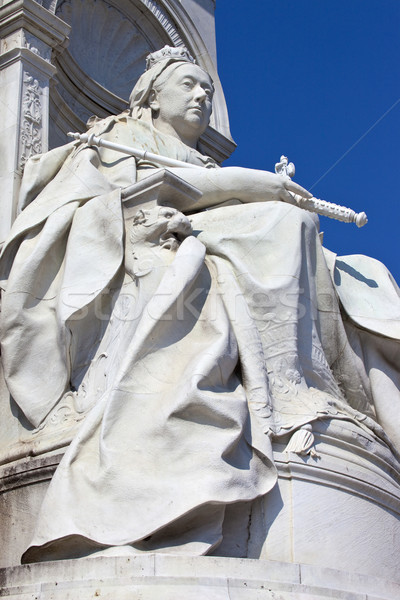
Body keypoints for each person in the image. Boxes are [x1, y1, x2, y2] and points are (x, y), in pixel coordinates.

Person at [1, 46, 399, 562]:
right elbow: (105, 204)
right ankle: (289, 394)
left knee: (362, 272)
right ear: (151, 95)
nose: (201, 96)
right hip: (149, 236)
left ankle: (323, 394)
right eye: (188, 85)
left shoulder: (200, 159)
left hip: (213, 232)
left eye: (207, 91)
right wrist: (253, 187)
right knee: (285, 225)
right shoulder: (116, 139)